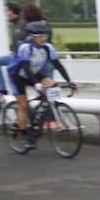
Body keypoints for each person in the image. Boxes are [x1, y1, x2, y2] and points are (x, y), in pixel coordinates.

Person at [7, 20, 75, 150]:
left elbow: (58, 65)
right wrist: (36, 85)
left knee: (53, 85)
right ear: (32, 36)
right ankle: (25, 135)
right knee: (23, 104)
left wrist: (69, 81)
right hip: (18, 75)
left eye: (45, 36)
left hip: (34, 73)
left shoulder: (48, 47)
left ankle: (39, 116)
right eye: (41, 36)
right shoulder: (25, 47)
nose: (44, 38)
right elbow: (25, 68)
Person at [0, 1, 28, 101]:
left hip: (22, 58)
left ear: (11, 11)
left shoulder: (23, 23)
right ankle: (2, 89)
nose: (6, 13)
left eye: (7, 10)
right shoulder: (13, 24)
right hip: (15, 56)